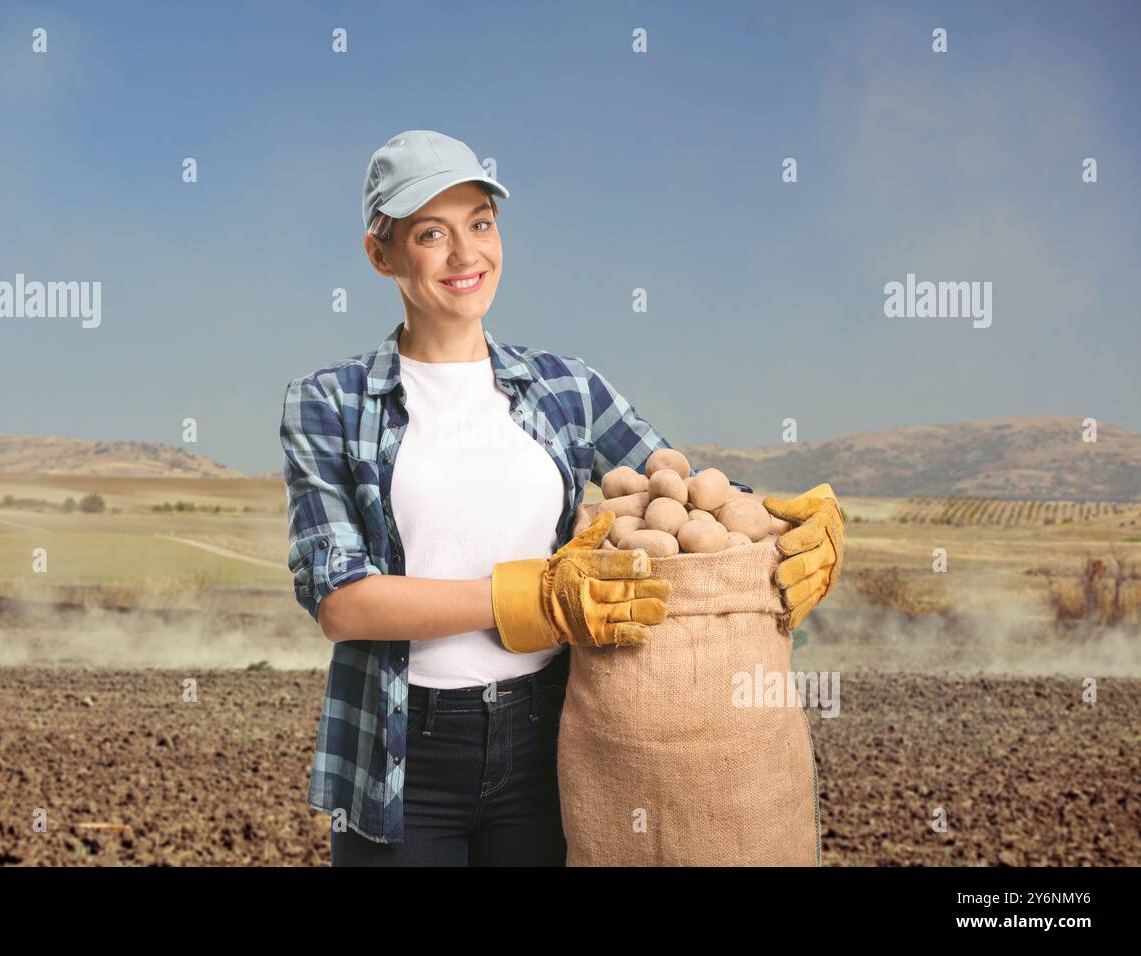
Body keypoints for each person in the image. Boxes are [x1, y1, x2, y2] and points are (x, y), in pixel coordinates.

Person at [279, 130, 845, 865]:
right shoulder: (328, 402)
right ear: (380, 255)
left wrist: (783, 520)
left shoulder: (566, 388)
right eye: (430, 233)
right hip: (401, 749)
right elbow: (342, 602)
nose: (465, 254)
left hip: (549, 732)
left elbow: (677, 491)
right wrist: (534, 598)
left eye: (480, 223)